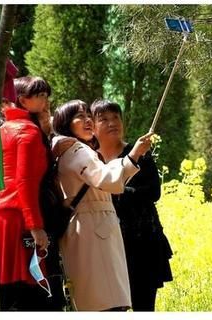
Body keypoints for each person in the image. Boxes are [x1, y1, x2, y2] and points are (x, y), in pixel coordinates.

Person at [50, 100, 153, 311]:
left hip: (91, 230)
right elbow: (105, 178)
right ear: (65, 123)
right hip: (93, 233)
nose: (88, 120)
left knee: (100, 301)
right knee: (106, 304)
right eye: (79, 117)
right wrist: (133, 155)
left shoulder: (71, 150)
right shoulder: (77, 150)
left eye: (89, 115)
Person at [91, 99, 173, 311]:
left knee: (143, 306)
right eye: (104, 119)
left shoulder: (139, 153)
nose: (112, 123)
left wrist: (113, 188)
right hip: (105, 246)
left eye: (116, 118)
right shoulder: (89, 159)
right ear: (92, 126)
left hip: (142, 242)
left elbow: (154, 192)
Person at [0, 76, 63, 311]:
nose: (46, 100)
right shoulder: (28, 133)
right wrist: (35, 226)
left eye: (46, 94)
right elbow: (25, 182)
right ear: (22, 100)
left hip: (0, 218)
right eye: (40, 95)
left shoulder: (3, 128)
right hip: (19, 219)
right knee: (29, 292)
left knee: (5, 291)